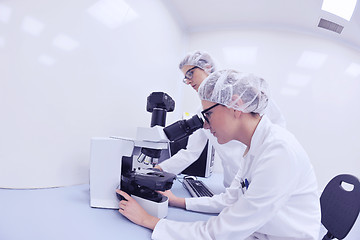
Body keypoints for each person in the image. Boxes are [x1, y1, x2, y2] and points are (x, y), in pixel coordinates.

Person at [116, 69, 321, 240]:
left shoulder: (278, 152)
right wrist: (177, 201)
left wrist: (149, 221)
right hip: (262, 231)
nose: (205, 124)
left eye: (208, 114)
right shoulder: (255, 147)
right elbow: (230, 200)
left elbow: (219, 233)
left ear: (236, 106)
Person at [156, 50, 286, 187]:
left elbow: (277, 127)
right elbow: (191, 153)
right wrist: (158, 170)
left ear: (208, 67)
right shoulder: (202, 113)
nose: (188, 81)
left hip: (261, 178)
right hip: (233, 184)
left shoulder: (247, 93)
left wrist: (268, 165)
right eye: (185, 78)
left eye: (190, 73)